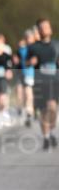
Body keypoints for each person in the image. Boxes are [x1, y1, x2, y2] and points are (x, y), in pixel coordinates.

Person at [27, 17, 58, 149]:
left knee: (52, 109)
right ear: (39, 30)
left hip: (54, 81)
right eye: (43, 27)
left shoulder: (56, 45)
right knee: (43, 110)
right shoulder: (34, 47)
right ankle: (46, 137)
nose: (46, 29)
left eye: (47, 26)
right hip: (40, 81)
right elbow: (26, 62)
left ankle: (50, 132)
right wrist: (31, 62)